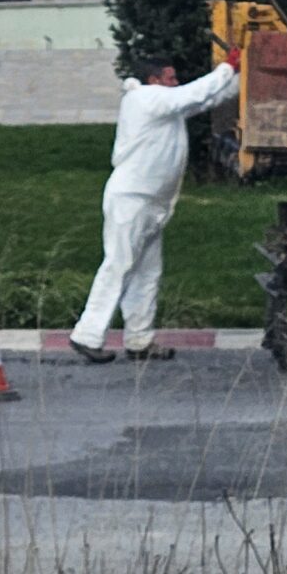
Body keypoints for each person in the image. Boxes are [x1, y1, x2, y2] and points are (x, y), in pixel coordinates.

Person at [70, 49, 240, 362]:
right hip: (133, 199)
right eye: (170, 78)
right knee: (118, 265)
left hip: (149, 202)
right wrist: (228, 67)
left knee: (146, 273)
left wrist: (240, 77)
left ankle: (139, 339)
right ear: (153, 80)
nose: (176, 83)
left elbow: (206, 99)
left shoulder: (163, 107)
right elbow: (194, 93)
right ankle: (87, 334)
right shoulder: (144, 99)